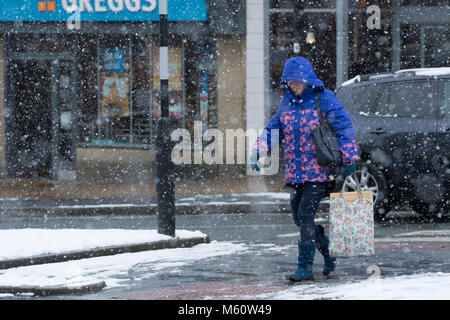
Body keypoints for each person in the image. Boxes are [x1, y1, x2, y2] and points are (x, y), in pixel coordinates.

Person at [250, 57, 358, 281]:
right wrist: (259, 149)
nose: (293, 86)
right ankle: (327, 252)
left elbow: (344, 127)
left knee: (305, 215)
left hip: (319, 171)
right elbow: (273, 129)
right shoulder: (286, 103)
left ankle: (305, 268)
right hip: (295, 173)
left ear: (307, 80)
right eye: (289, 82)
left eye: (297, 81)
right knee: (298, 219)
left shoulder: (324, 99)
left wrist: (349, 157)